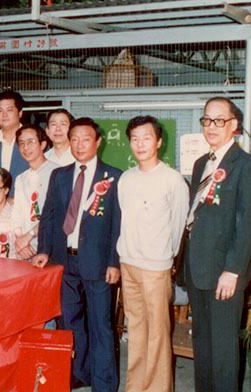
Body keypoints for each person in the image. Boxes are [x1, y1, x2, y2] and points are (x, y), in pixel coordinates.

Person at [33, 117, 121, 391]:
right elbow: (48, 217)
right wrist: (44, 250)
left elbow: (118, 224)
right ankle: (78, 373)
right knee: (69, 323)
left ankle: (104, 383)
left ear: (98, 142)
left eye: (86, 139)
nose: (80, 144)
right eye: (74, 139)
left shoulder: (114, 177)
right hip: (64, 260)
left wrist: (113, 262)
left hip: (97, 263)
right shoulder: (59, 175)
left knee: (100, 325)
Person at [178, 97, 251, 392]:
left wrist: (233, 270)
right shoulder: (200, 164)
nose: (211, 127)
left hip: (224, 272)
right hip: (198, 266)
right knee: (203, 345)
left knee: (223, 350)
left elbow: (247, 222)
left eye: (219, 120)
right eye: (207, 120)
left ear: (234, 125)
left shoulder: (244, 164)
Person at [117, 116, 189, 392]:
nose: (140, 144)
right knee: (136, 332)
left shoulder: (172, 180)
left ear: (159, 141)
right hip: (129, 264)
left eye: (146, 137)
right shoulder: (126, 178)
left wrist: (165, 258)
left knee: (158, 334)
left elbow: (179, 226)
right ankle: (135, 387)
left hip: (156, 267)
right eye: (135, 138)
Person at [12, 124, 60, 260]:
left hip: (50, 249)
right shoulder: (21, 178)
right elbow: (17, 213)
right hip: (26, 250)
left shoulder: (58, 173)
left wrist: (29, 236)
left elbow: (57, 215)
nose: (25, 147)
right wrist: (21, 241)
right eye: (21, 143)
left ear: (43, 144)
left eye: (31, 142)